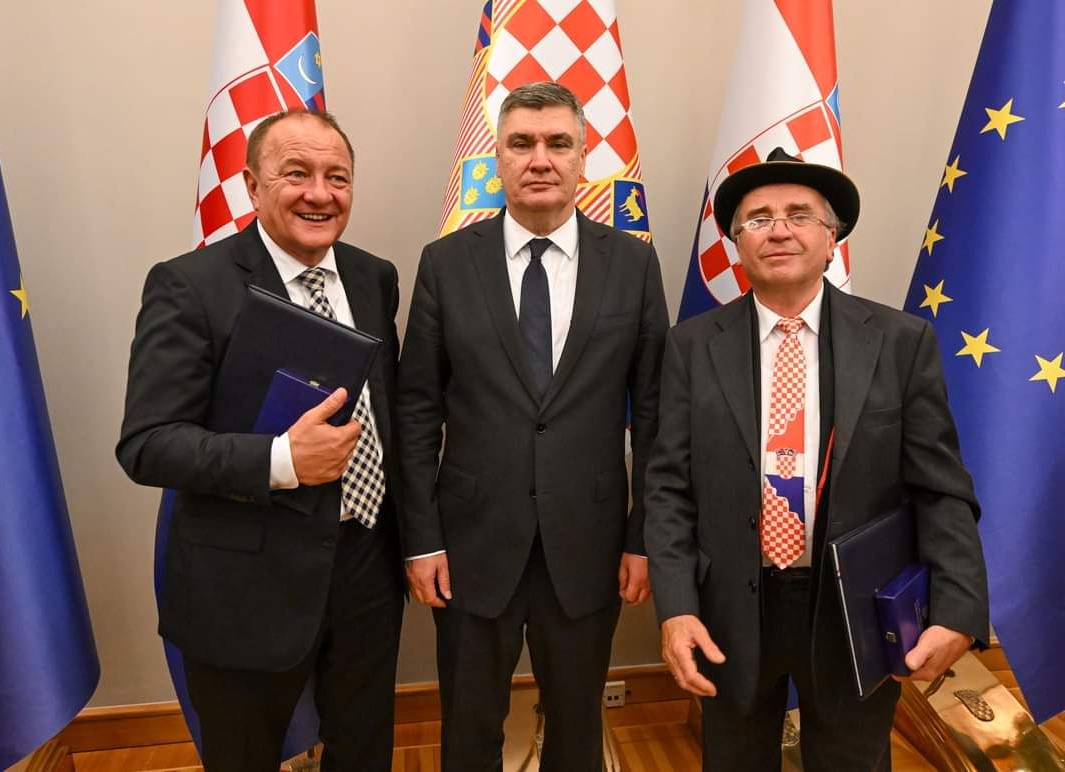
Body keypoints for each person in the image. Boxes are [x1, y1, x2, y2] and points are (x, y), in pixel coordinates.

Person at [645, 147, 989, 770]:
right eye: (758, 219)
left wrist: (959, 609)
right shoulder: (690, 347)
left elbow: (940, 488)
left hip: (855, 609)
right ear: (736, 245)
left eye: (799, 215)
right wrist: (676, 608)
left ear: (832, 241)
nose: (778, 230)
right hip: (730, 610)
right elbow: (668, 488)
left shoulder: (900, 341)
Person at [117, 110, 403, 772]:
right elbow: (148, 444)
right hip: (243, 584)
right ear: (251, 184)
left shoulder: (374, 277)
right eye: (296, 173)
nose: (319, 194)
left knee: (365, 751)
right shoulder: (189, 286)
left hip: (367, 569)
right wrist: (282, 461)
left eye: (338, 177)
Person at [396, 81, 669, 770]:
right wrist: (422, 539)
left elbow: (657, 414)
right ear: (498, 158)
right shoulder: (445, 263)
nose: (540, 158)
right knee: (469, 727)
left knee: (577, 731)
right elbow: (416, 409)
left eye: (557, 143)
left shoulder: (633, 263)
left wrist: (643, 538)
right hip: (470, 543)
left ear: (583, 157)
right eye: (521, 143)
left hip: (589, 542)